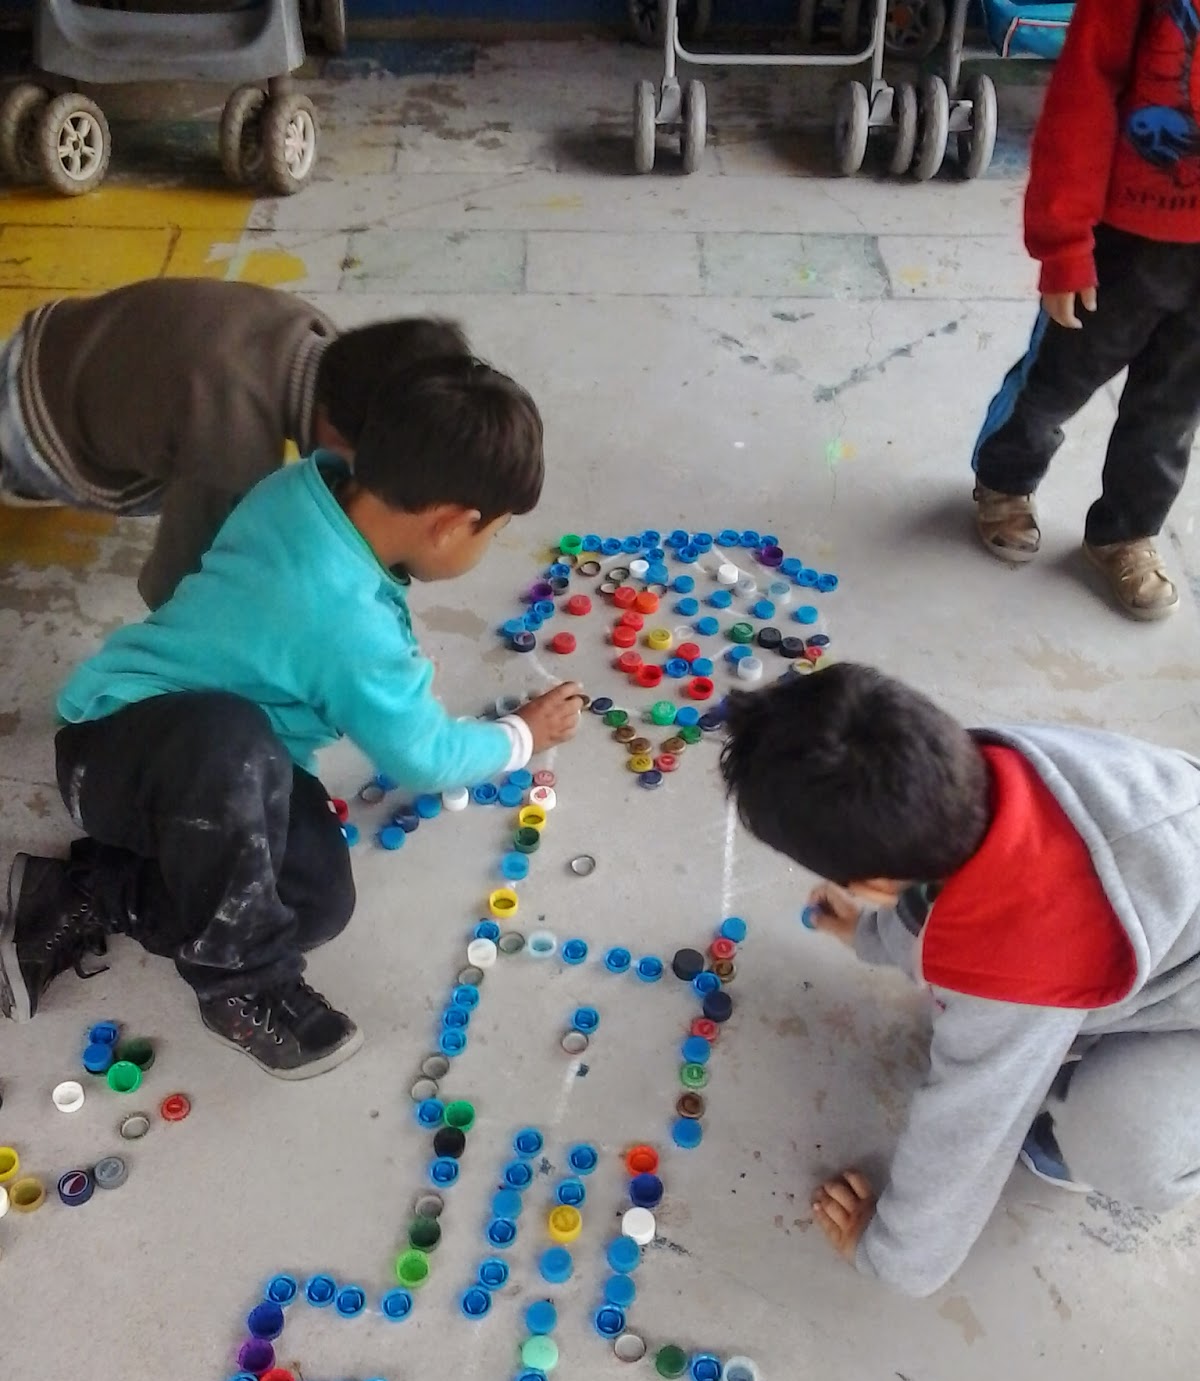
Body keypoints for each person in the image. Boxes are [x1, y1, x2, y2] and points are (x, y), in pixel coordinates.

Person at [0, 354, 583, 1081]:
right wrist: (523, 734)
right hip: (116, 748)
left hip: (231, 774)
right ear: (450, 524)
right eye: (490, 533)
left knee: (312, 901)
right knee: (232, 750)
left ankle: (92, 891)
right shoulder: (347, 621)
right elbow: (425, 756)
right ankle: (239, 984)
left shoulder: (305, 489)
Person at [720, 662, 1200, 1295]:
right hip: (1165, 915)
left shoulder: (1025, 960)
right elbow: (937, 887)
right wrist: (867, 934)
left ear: (872, 885)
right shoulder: (979, 770)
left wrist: (893, 1255)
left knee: (1125, 1140)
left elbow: (969, 1128)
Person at [0, 277, 471, 607]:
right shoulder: (232, 445)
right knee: (218, 517)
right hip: (34, 419)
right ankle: (23, 477)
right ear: (338, 431)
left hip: (55, 337)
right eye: (363, 469)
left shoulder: (313, 334)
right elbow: (171, 587)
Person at [971, 0, 1200, 621]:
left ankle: (1125, 532)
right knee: (1055, 381)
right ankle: (1005, 479)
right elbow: (1084, 93)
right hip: (1124, 239)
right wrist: (1064, 243)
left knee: (1172, 410)